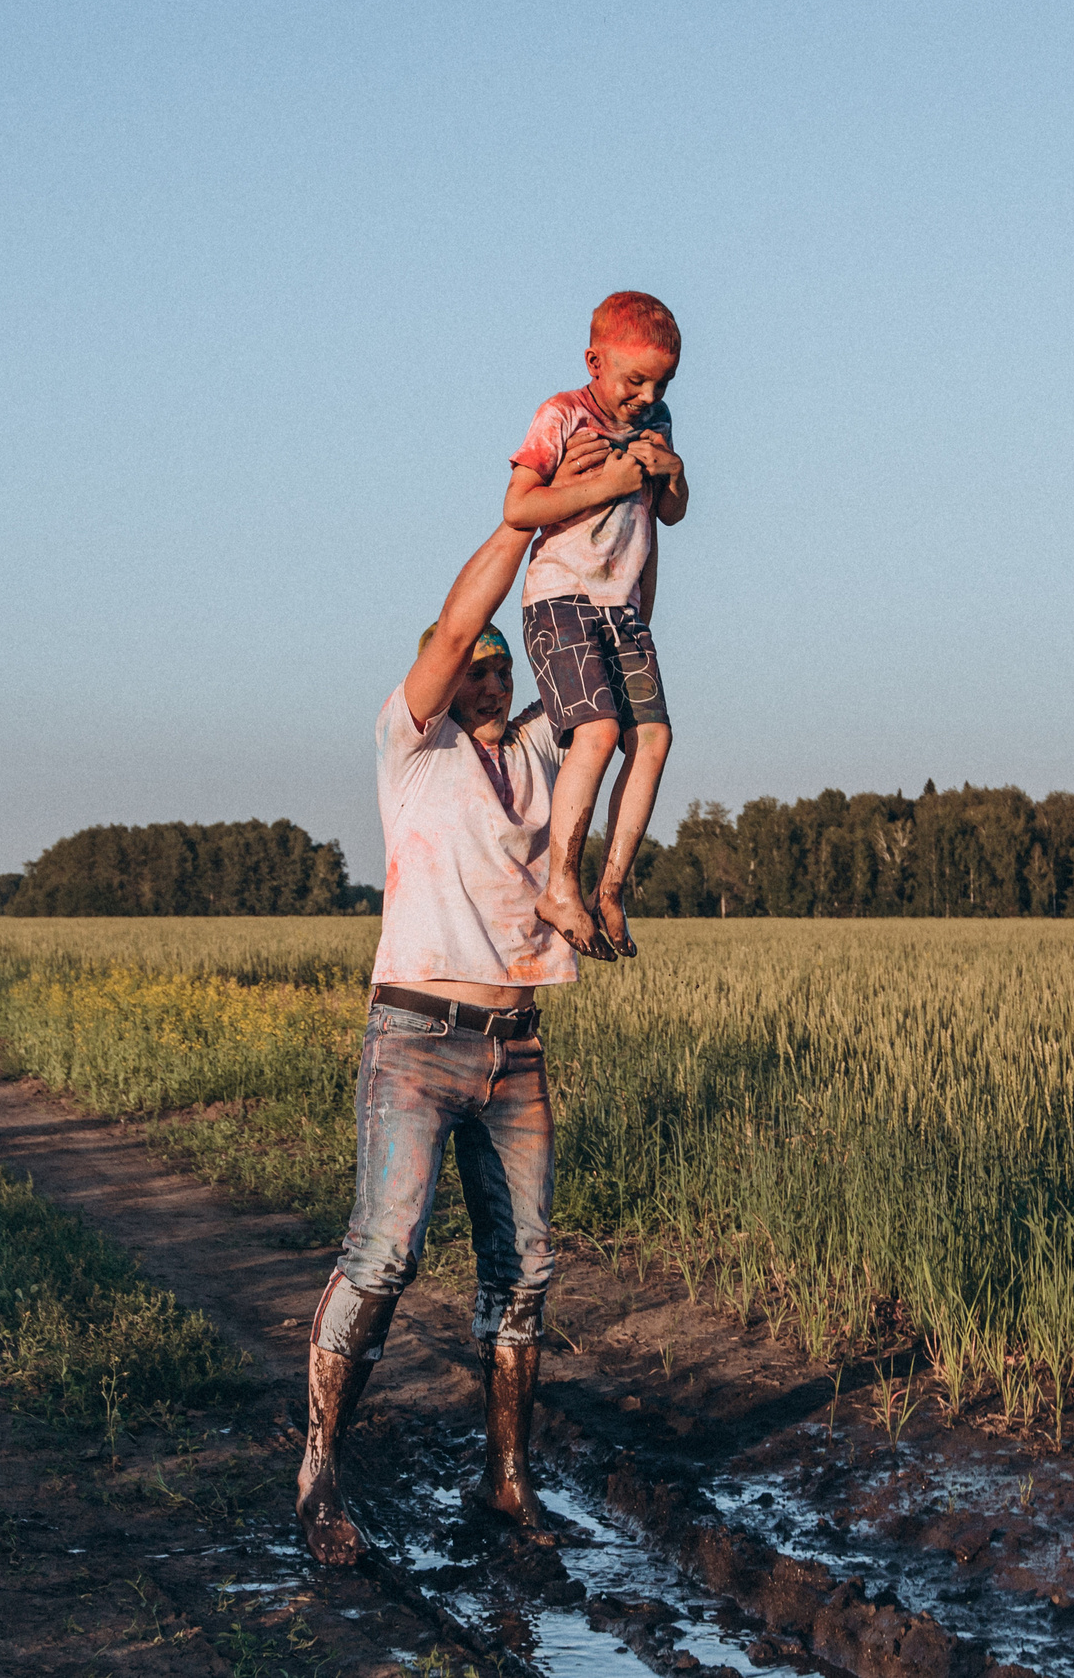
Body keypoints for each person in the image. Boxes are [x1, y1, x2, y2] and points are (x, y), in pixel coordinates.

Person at [297, 521, 578, 1566]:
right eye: (467, 669)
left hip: (517, 1046)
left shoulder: (542, 753)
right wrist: (522, 521)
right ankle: (320, 1477)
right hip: (415, 1038)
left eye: (497, 667)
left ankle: (506, 1481)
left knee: (526, 1267)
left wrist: (628, 505)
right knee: (385, 1252)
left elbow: (610, 663)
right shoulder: (410, 748)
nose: (483, 682)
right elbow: (463, 617)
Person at [502, 290, 690, 959]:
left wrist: (674, 474)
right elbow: (519, 506)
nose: (647, 394)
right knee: (600, 729)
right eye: (634, 379)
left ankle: (610, 887)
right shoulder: (563, 414)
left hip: (623, 607)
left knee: (656, 737)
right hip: (561, 596)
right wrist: (606, 486)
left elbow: (670, 513)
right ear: (594, 361)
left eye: (661, 382)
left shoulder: (657, 421)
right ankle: (560, 884)